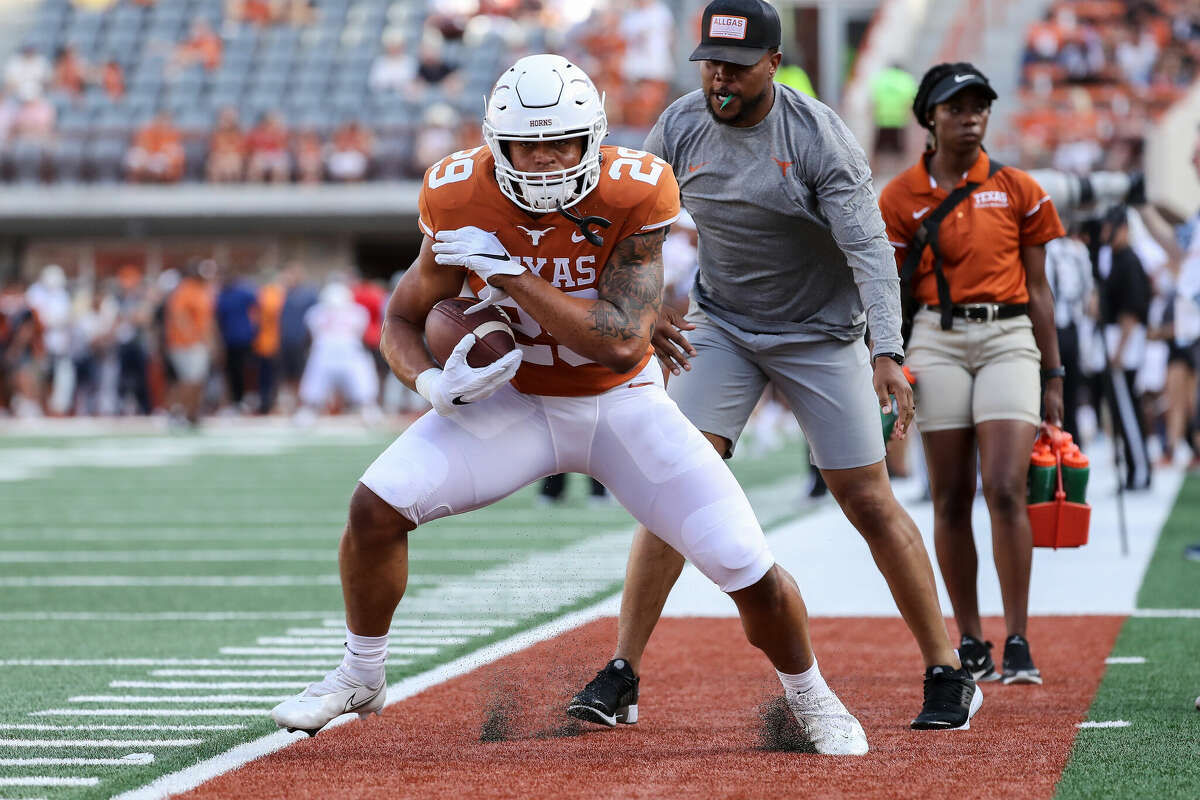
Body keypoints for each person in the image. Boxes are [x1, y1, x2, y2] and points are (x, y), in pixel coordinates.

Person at [270, 53, 870, 755]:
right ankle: (359, 674)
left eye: (564, 142)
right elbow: (403, 320)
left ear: (596, 139)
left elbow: (619, 343)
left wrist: (510, 276)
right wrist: (431, 386)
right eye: (530, 143)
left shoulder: (634, 190)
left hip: (621, 403)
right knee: (375, 509)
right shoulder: (460, 194)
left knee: (747, 568)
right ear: (497, 144)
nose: (549, 160)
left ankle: (811, 696)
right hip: (515, 404)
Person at [570, 0, 980, 733]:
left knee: (866, 498)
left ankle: (947, 669)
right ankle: (624, 670)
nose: (719, 78)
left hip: (822, 333)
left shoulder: (819, 137)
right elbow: (636, 223)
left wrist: (886, 352)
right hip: (724, 321)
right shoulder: (682, 123)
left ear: (772, 63)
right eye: (710, 64)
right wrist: (647, 305)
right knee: (675, 478)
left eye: (734, 65)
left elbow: (870, 258)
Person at [878, 62, 1066, 685]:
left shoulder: (1019, 188)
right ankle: (968, 638)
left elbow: (1040, 291)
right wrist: (890, 358)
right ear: (930, 116)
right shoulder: (900, 196)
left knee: (1007, 487)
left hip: (1011, 336)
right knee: (951, 493)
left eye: (980, 105)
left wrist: (1056, 375)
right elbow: (890, 290)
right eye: (957, 106)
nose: (971, 116)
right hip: (936, 335)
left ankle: (1017, 637)